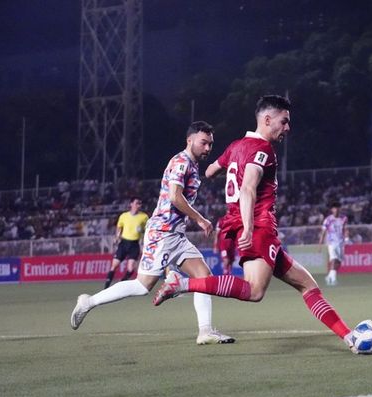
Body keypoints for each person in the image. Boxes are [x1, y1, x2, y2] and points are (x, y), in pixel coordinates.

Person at [152, 95, 357, 351]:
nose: (287, 128)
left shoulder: (236, 146)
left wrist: (230, 167)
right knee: (255, 291)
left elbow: (210, 170)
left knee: (307, 285)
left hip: (244, 223)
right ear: (267, 119)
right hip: (258, 226)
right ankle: (180, 284)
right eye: (284, 122)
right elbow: (248, 188)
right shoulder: (263, 150)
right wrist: (249, 227)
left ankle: (350, 337)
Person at [70, 121, 234, 345]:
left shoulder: (193, 166)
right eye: (204, 143)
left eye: (210, 144)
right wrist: (200, 218)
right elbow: (175, 196)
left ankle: (205, 331)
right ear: (190, 140)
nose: (207, 148)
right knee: (142, 286)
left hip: (176, 235)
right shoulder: (180, 162)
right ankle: (88, 302)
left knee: (204, 277)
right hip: (163, 233)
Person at [104, 197, 148, 288]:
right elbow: (119, 227)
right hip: (124, 243)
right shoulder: (124, 216)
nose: (138, 205)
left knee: (131, 268)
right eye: (136, 203)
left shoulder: (144, 217)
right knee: (114, 265)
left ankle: (121, 284)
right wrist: (117, 236)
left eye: (140, 204)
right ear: (131, 204)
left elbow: (147, 229)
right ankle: (106, 286)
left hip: (134, 244)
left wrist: (144, 240)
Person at [318, 201, 348, 285]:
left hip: (341, 242)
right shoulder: (328, 220)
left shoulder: (344, 218)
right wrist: (320, 244)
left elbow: (345, 229)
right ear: (332, 209)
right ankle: (333, 279)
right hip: (331, 242)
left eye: (338, 207)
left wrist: (347, 239)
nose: (336, 209)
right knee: (334, 259)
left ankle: (329, 276)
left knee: (339, 261)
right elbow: (323, 232)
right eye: (335, 208)